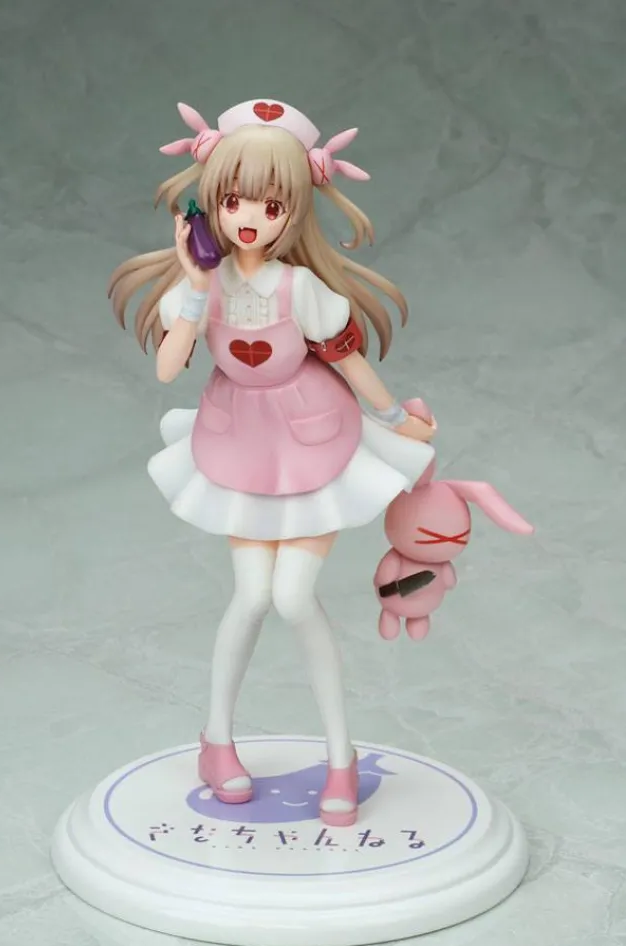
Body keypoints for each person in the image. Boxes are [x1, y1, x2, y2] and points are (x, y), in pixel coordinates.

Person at [108, 98, 436, 826]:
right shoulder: (202, 288)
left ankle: (342, 755)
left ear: (294, 210)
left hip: (312, 441)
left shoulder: (302, 289)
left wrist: (396, 421)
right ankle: (216, 742)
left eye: (270, 203)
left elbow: (349, 363)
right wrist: (196, 288)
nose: (250, 217)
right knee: (252, 598)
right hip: (241, 444)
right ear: (208, 207)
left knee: (293, 598)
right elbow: (167, 368)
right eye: (232, 201)